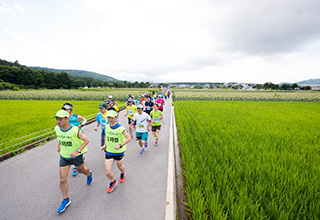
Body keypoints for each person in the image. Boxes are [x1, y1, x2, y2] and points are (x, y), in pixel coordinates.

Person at [53, 110, 93, 214]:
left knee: (81, 170)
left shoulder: (75, 130)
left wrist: (77, 151)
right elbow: (60, 138)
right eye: (57, 119)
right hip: (64, 157)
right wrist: (59, 147)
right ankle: (65, 199)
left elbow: (86, 140)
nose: (58, 121)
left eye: (60, 119)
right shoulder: (57, 129)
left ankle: (89, 174)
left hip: (76, 156)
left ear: (67, 119)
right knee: (62, 179)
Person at [101, 110, 131, 193]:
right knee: (107, 171)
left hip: (119, 151)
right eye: (109, 118)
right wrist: (105, 145)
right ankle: (112, 181)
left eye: (112, 118)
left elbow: (128, 138)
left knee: (120, 166)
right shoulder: (106, 127)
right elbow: (106, 136)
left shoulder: (120, 128)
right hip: (109, 151)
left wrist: (120, 145)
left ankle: (122, 173)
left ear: (116, 117)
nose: (110, 119)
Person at [62, 102, 87, 177]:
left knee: (78, 149)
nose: (65, 110)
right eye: (64, 109)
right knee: (72, 149)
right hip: (69, 136)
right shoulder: (64, 117)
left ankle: (76, 166)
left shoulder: (76, 116)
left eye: (66, 109)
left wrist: (80, 125)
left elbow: (85, 120)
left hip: (78, 135)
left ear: (70, 110)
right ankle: (79, 160)